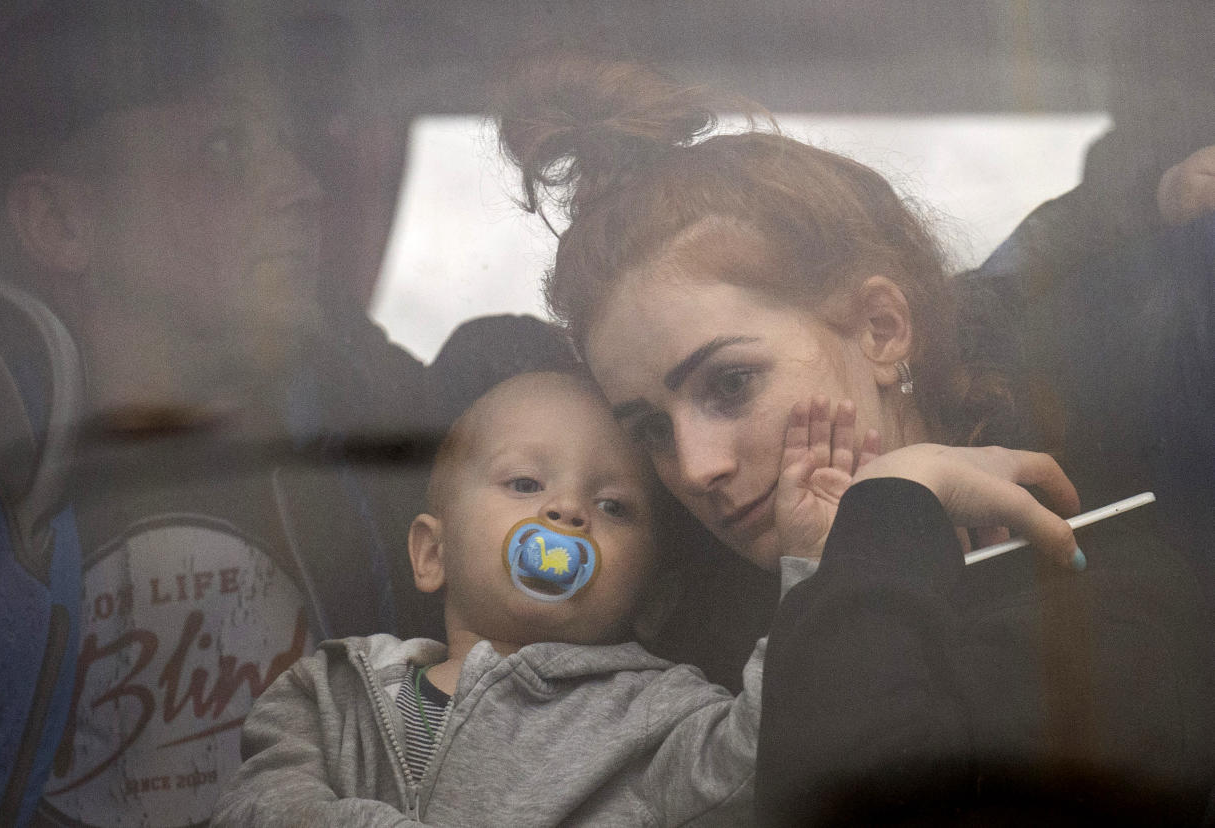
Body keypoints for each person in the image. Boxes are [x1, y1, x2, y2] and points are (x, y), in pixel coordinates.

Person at [495, 53, 1215, 822]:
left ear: (881, 328)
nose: (698, 467)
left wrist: (888, 510)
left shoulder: (1109, 573)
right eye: (650, 430)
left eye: (731, 384)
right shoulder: (667, 671)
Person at [213, 368, 1083, 826]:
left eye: (614, 507)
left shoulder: (657, 716)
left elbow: (767, 752)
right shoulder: (326, 692)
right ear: (431, 553)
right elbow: (255, 810)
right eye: (523, 482)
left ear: (650, 591)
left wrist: (817, 559)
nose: (565, 511)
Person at [0, 2, 428, 824]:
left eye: (288, 143)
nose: (302, 186)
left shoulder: (393, 434)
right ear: (59, 221)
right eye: (223, 150)